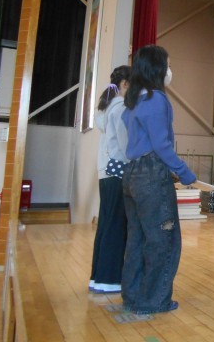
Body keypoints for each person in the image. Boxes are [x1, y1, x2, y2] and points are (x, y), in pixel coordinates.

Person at [120, 45, 196, 314]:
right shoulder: (156, 100)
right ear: (157, 68)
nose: (170, 70)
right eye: (168, 64)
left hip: (131, 174)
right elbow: (162, 145)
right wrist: (185, 172)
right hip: (151, 175)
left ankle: (133, 295)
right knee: (164, 239)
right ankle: (153, 300)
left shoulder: (133, 101)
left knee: (137, 238)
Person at [90, 65, 131, 294]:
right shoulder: (121, 108)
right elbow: (126, 146)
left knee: (106, 225)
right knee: (116, 226)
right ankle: (110, 279)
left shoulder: (105, 109)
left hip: (104, 173)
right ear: (125, 84)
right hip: (118, 172)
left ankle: (97, 277)